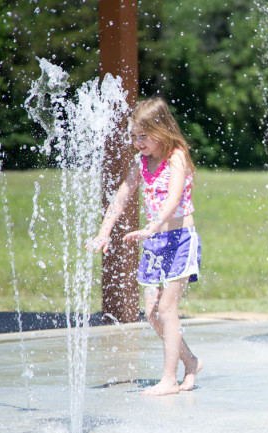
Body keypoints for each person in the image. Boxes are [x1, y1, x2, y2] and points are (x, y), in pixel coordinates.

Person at [87, 97, 202, 397]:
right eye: (134, 136)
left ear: (161, 129)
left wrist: (152, 226)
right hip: (154, 243)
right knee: (151, 312)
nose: (138, 142)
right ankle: (190, 362)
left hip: (180, 240)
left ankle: (169, 380)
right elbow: (122, 196)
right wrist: (104, 233)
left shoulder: (176, 157)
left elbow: (173, 199)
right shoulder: (140, 163)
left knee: (167, 308)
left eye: (144, 135)